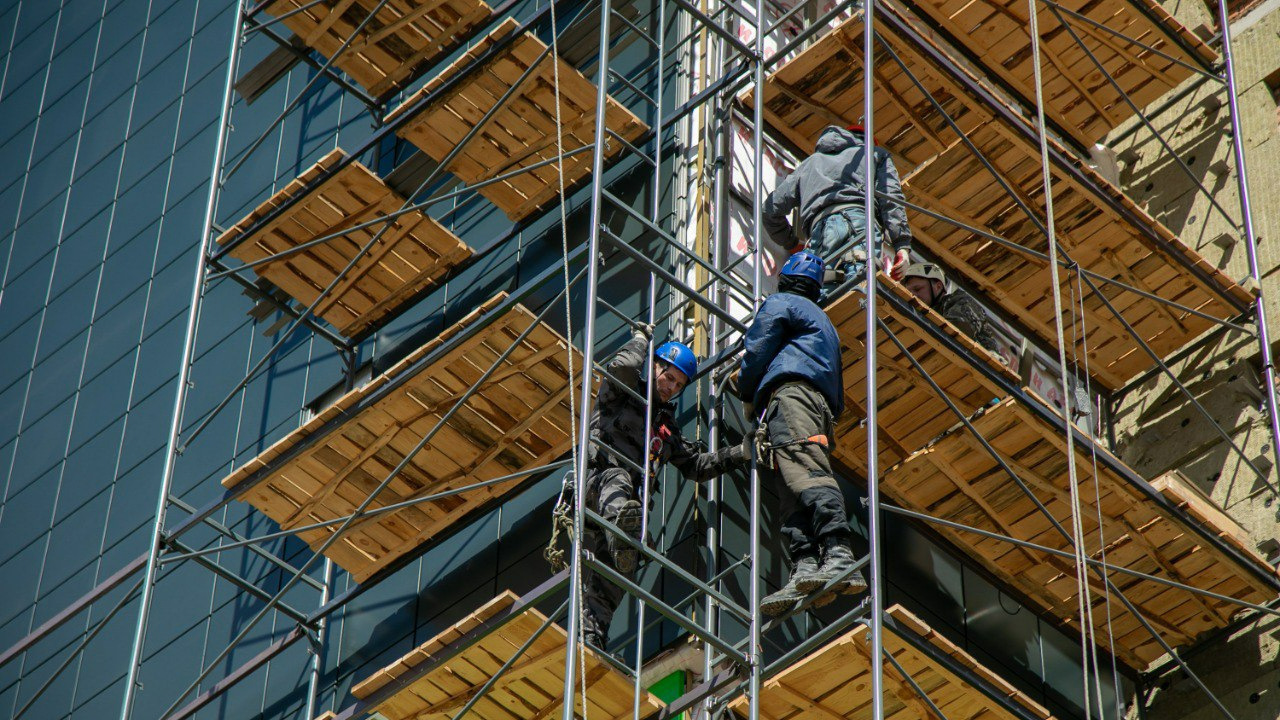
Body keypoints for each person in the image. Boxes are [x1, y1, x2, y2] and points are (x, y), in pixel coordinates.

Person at [578, 326, 749, 649]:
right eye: (669, 378)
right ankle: (623, 533)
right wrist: (641, 340)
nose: (672, 388)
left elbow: (697, 467)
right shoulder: (623, 393)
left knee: (614, 578)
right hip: (596, 484)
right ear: (655, 366)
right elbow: (622, 367)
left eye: (679, 385)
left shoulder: (666, 429)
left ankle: (592, 636)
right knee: (621, 481)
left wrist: (740, 453)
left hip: (625, 512)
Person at [736, 251, 866, 617]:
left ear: (784, 277)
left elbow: (758, 346)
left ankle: (838, 552)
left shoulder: (782, 303)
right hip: (814, 406)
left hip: (792, 397)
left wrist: (748, 390)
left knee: (805, 471)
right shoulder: (824, 322)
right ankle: (806, 565)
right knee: (794, 483)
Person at [762, 124, 913, 288]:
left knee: (823, 293)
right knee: (860, 292)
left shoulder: (810, 164)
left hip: (818, 233)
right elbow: (891, 199)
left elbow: (769, 210)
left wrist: (791, 243)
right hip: (859, 223)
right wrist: (901, 245)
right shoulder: (875, 154)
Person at [900, 262, 1002, 356]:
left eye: (918, 289)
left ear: (938, 286)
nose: (913, 295)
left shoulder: (961, 300)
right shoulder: (922, 314)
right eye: (909, 292)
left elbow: (957, 332)